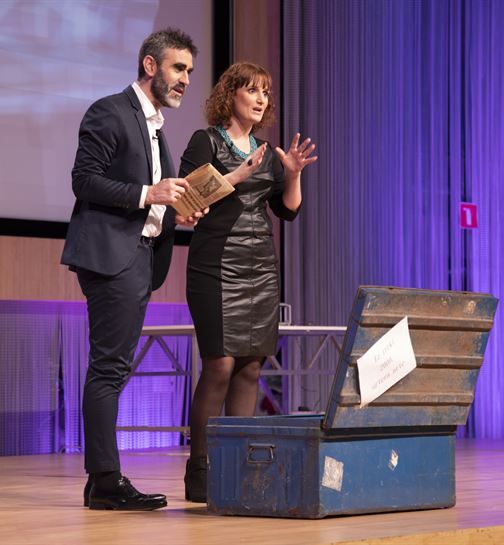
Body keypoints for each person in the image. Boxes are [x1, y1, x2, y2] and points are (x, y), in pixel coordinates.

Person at [60, 28, 202, 511]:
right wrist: (150, 195)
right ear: (149, 65)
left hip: (140, 257)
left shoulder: (156, 127)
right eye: (178, 68)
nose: (185, 79)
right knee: (109, 368)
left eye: (188, 71)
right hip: (112, 255)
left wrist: (176, 210)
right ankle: (104, 480)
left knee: (113, 370)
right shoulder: (110, 111)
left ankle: (101, 477)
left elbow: (151, 196)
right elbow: (84, 181)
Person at [178, 62, 317, 502]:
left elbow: (288, 211)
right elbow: (188, 200)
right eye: (251, 91)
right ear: (230, 95)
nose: (260, 99)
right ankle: (200, 470)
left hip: (259, 265)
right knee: (219, 364)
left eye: (265, 93)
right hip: (216, 264)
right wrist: (236, 175)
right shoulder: (205, 141)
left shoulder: (268, 150)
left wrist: (291, 173)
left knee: (251, 365)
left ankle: (238, 467)